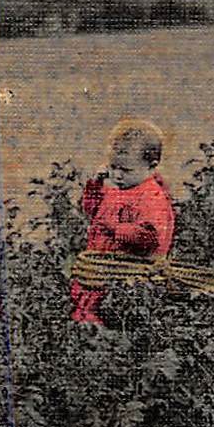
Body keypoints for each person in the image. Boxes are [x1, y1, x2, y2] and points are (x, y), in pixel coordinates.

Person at [69, 117, 176, 326]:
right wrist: (95, 186)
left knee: (118, 323)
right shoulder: (119, 189)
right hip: (101, 274)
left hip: (129, 279)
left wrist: (116, 229)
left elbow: (150, 238)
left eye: (125, 170)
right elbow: (93, 212)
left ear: (151, 167)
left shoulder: (151, 197)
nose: (117, 175)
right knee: (87, 319)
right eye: (113, 166)